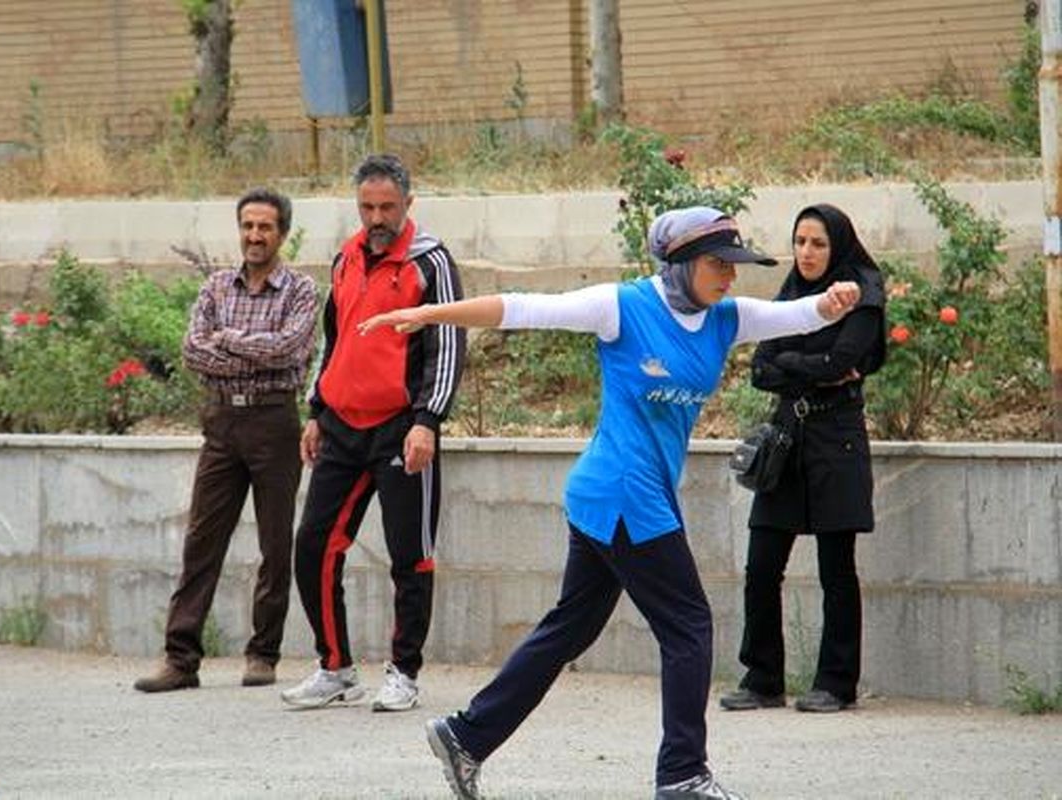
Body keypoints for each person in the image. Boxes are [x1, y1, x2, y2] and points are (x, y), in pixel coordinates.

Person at [360, 206, 862, 800]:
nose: (729, 275)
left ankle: (467, 736)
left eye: (735, 264)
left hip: (625, 494)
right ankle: (682, 774)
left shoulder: (726, 319)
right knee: (689, 628)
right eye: (716, 264)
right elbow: (521, 308)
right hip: (623, 491)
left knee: (570, 628)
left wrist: (832, 303)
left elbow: (797, 315)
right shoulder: (622, 306)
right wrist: (429, 314)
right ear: (677, 264)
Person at [280, 153, 466, 712]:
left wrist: (427, 421)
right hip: (341, 427)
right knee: (313, 546)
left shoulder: (429, 261)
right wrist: (316, 409)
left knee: (410, 555)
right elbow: (332, 340)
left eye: (387, 207)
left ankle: (404, 672)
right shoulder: (345, 257)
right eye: (367, 207)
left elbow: (448, 345)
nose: (377, 217)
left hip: (401, 429)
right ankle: (335, 668)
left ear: (408, 204)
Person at [134, 188, 319, 693]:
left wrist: (229, 340)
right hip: (220, 424)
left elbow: (288, 349)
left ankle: (263, 654)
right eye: (248, 226)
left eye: (265, 227)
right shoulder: (216, 286)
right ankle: (180, 660)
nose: (255, 236)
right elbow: (193, 352)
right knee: (201, 542)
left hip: (273, 424)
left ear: (281, 233)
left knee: (275, 543)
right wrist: (248, 350)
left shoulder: (300, 291)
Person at [719, 204, 886, 715]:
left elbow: (844, 360)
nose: (807, 253)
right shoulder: (792, 292)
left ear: (837, 245)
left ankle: (836, 683)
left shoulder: (860, 294)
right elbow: (760, 369)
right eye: (800, 242)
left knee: (837, 569)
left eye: (818, 244)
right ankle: (762, 678)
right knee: (762, 564)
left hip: (838, 441)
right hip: (787, 440)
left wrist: (794, 363)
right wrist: (808, 366)